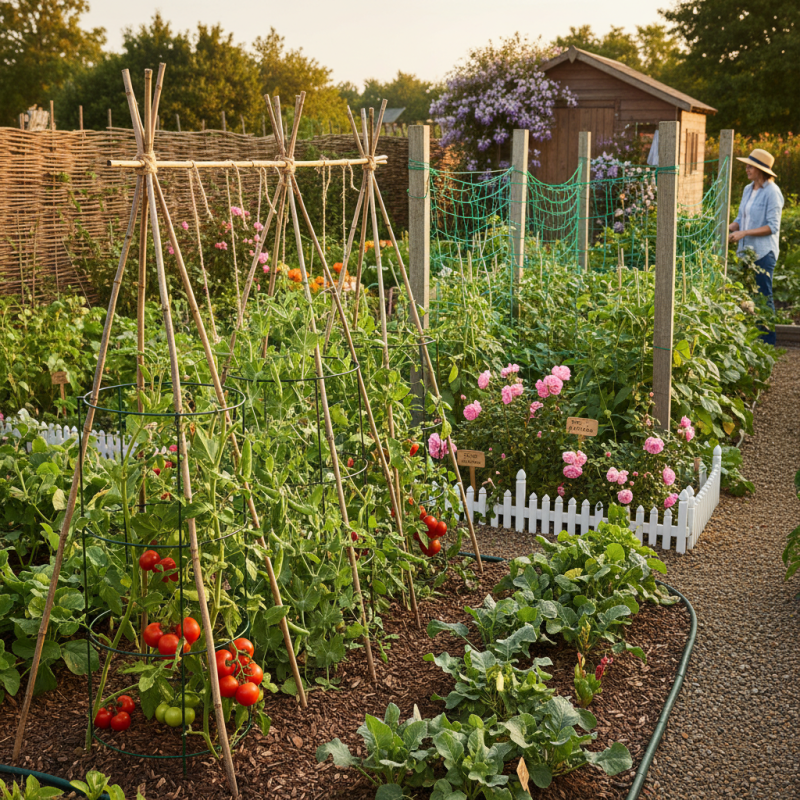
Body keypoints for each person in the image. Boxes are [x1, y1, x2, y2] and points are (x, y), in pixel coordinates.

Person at [728, 148, 784, 345]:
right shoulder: (747, 189)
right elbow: (740, 218)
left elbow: (772, 227)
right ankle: (752, 341)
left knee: (763, 299)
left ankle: (768, 343)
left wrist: (744, 233)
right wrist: (730, 227)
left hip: (762, 254)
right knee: (745, 298)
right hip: (745, 254)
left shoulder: (772, 193)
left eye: (750, 166)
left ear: (760, 169)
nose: (746, 168)